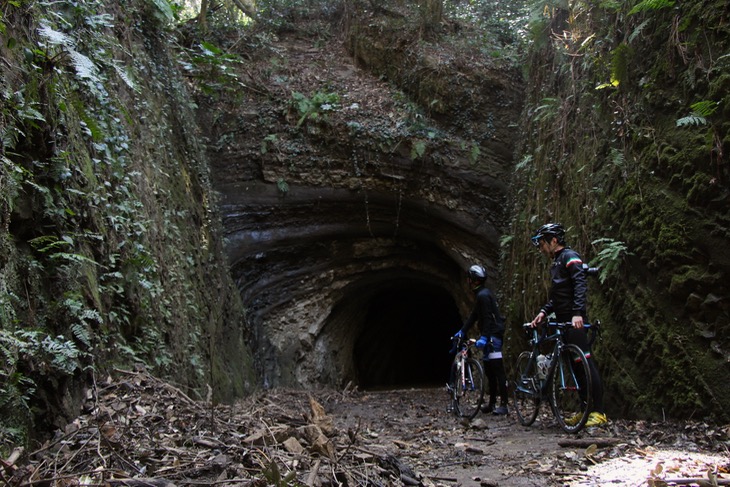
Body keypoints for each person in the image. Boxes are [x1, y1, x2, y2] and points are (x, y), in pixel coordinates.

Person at [529, 223, 607, 427]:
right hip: (563, 322)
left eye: (542, 243)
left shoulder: (569, 256)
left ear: (553, 241)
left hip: (574, 321)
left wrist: (577, 313)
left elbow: (580, 284)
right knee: (576, 367)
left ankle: (598, 412)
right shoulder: (556, 263)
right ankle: (585, 411)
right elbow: (558, 296)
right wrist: (544, 312)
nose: (540, 248)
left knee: (586, 364)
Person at [454, 264, 508, 415]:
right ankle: (491, 403)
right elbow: (474, 315)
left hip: (493, 336)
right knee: (490, 371)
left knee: (498, 370)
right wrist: (462, 331)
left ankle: (504, 404)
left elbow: (487, 318)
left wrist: (485, 337)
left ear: (473, 280)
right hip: (490, 335)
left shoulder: (483, 296)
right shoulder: (482, 294)